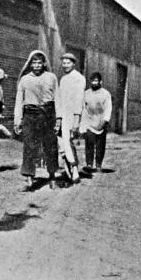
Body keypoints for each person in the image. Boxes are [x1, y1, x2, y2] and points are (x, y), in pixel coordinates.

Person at [14, 50, 60, 191]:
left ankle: (52, 177)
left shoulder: (51, 77)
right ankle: (29, 179)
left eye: (39, 63)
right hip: (30, 115)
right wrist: (17, 120)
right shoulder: (25, 79)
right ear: (30, 64)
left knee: (50, 146)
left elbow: (57, 98)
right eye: (34, 63)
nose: (37, 65)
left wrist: (58, 119)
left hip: (48, 114)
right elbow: (19, 101)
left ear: (44, 64)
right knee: (29, 147)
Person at [56, 53, 86, 183]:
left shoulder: (79, 78)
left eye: (68, 63)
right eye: (64, 63)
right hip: (62, 115)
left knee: (68, 143)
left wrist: (76, 119)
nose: (65, 65)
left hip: (72, 115)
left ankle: (74, 169)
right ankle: (69, 168)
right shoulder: (63, 79)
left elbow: (79, 100)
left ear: (73, 64)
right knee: (61, 143)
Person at [79, 72, 112, 173]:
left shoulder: (105, 94)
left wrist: (104, 121)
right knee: (89, 143)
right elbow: (84, 109)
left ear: (100, 82)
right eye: (92, 81)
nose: (94, 83)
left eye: (96, 81)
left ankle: (98, 165)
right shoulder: (86, 94)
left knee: (100, 145)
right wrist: (83, 125)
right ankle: (89, 164)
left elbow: (108, 108)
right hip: (89, 122)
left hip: (101, 122)